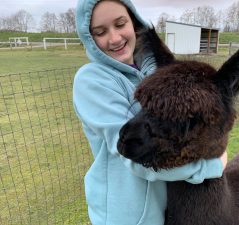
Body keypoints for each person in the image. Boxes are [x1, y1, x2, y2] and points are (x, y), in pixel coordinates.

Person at [73, 0, 227, 224]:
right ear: (90, 38)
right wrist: (212, 165)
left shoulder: (157, 71)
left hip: (169, 208)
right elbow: (134, 154)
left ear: (134, 22)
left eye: (120, 24)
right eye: (100, 32)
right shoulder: (92, 81)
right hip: (126, 217)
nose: (115, 38)